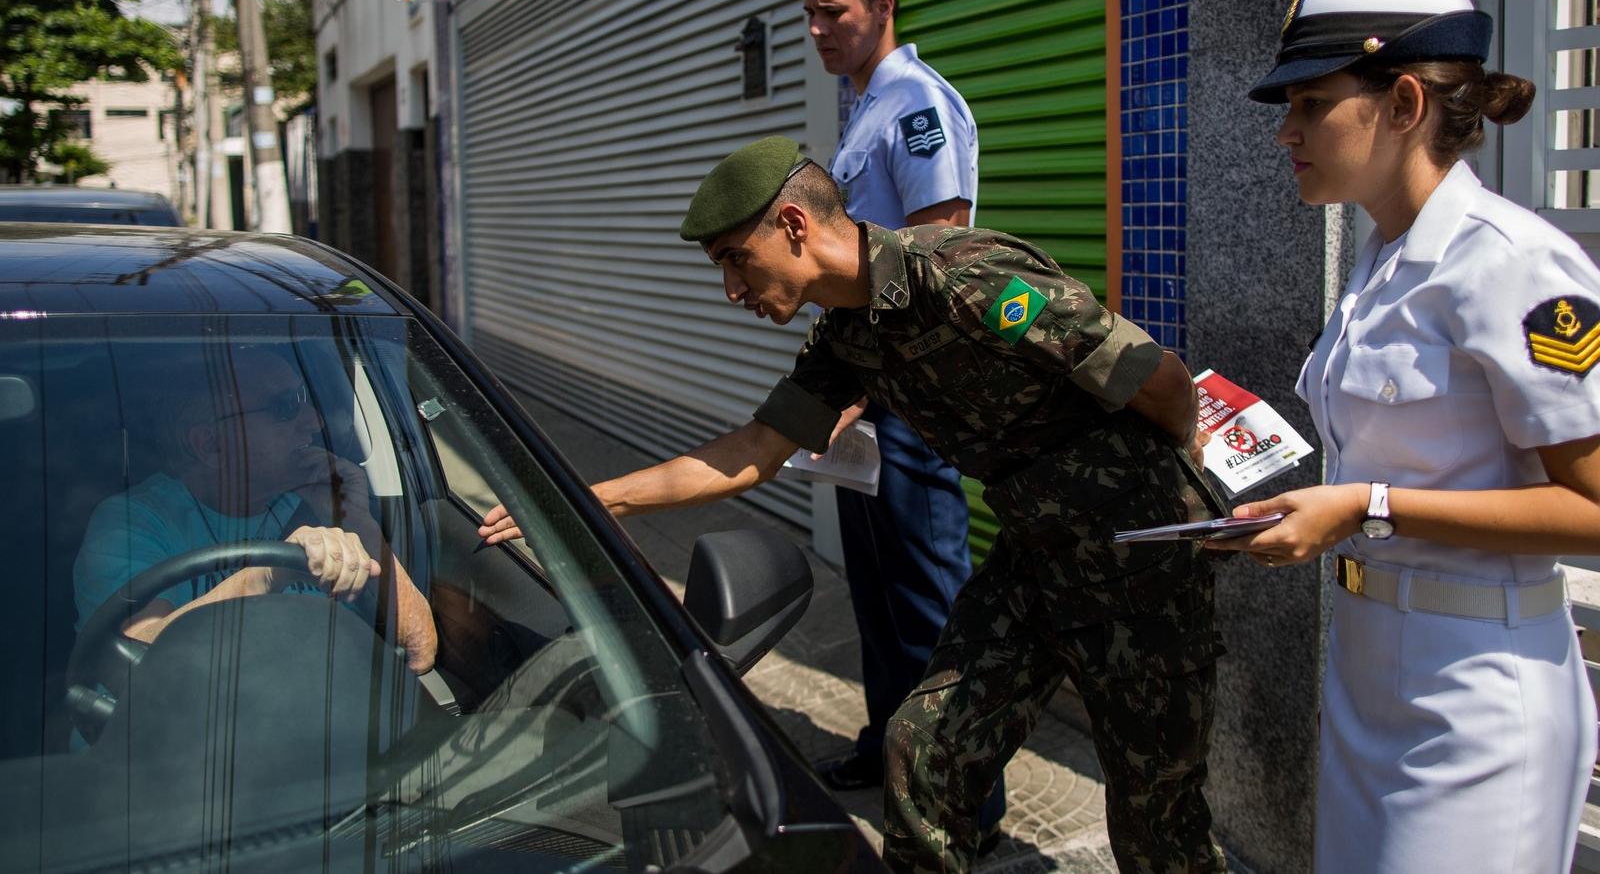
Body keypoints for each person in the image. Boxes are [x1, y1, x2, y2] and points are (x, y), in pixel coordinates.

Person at [481, 136, 1228, 872]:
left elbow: (1154, 377)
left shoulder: (964, 274)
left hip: (1138, 560)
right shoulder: (846, 338)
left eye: (735, 261)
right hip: (1035, 556)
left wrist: (1184, 484)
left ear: (794, 227)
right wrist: (593, 498)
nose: (731, 292)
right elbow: (754, 451)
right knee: (922, 748)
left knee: (1155, 824)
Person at [1207, 0, 1600, 871]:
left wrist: (1362, 506)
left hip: (1478, 695)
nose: (1286, 133)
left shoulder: (1513, 265)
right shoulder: (1381, 259)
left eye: (1312, 103)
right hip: (1369, 673)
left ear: (1406, 103)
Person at [800, 0, 1004, 834]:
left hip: (910, 404)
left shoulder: (916, 104)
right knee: (878, 593)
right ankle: (890, 750)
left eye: (833, 11)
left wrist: (877, 383)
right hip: (867, 398)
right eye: (809, 13)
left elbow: (941, 254)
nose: (817, 29)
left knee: (930, 605)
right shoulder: (864, 110)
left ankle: (963, 799)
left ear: (884, 6)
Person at [74, 347, 437, 675]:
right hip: (178, 741)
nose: (314, 421)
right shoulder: (131, 524)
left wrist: (355, 518)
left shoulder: (310, 504)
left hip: (312, 730)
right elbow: (137, 662)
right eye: (285, 407)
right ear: (211, 444)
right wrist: (265, 575)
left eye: (303, 397)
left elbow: (420, 650)